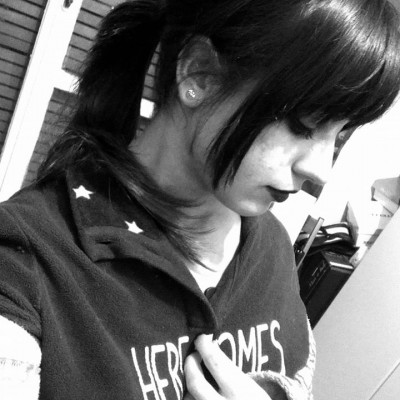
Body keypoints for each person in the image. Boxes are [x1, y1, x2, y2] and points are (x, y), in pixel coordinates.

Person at [1, 0, 400, 398]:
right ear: (200, 74)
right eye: (302, 125)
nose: (321, 170)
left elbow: (298, 381)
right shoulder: (26, 262)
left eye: (340, 135)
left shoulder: (271, 244)